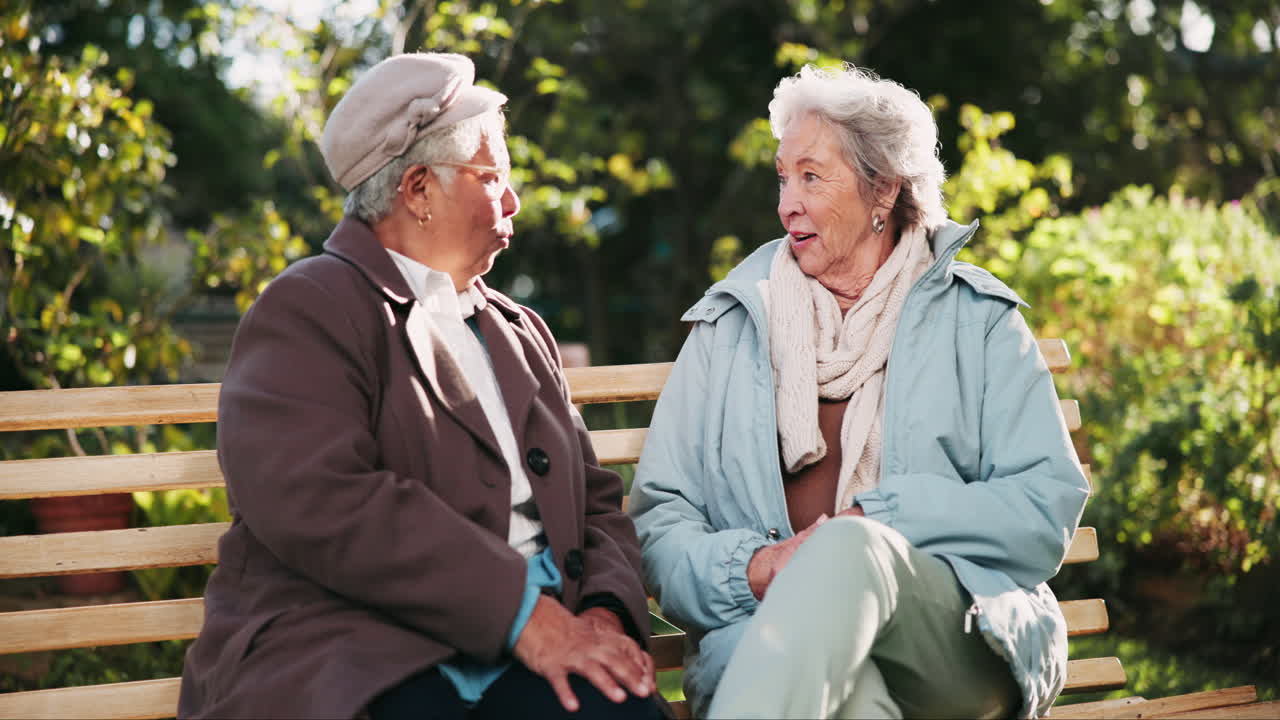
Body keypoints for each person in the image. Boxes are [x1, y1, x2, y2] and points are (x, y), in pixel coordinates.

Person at [178, 53, 664, 720]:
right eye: (492, 177)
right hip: (360, 653)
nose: (514, 200)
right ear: (417, 189)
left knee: (622, 711)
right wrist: (524, 618)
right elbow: (320, 499)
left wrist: (605, 617)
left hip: (540, 648)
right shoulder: (309, 306)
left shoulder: (518, 329)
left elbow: (597, 503)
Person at [628, 63, 1090, 719]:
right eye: (783, 176)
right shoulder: (728, 328)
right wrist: (754, 568)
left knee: (847, 551)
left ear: (883, 192)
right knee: (851, 703)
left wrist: (879, 522)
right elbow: (659, 524)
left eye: (811, 176)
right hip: (777, 654)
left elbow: (1043, 508)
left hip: (953, 645)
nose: (787, 202)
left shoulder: (977, 319)